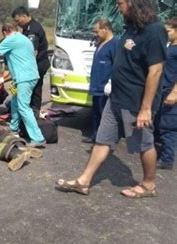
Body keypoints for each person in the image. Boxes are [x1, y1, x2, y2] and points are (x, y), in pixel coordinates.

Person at [55, 0, 167, 198]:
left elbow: (156, 70)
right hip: (116, 98)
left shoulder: (154, 31)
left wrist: (146, 108)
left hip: (135, 102)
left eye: (121, 3)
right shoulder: (131, 28)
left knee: (144, 144)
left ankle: (149, 184)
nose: (119, 7)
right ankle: (84, 181)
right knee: (102, 140)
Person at [82, 19, 120, 144]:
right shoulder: (100, 43)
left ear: (106, 29)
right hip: (96, 85)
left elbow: (117, 65)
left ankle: (105, 138)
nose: (95, 34)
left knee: (105, 114)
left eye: (97, 31)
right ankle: (95, 135)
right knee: (96, 112)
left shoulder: (115, 43)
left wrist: (111, 82)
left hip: (105, 87)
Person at [11, 6, 50, 117]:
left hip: (38, 64)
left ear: (24, 16)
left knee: (34, 88)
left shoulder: (33, 29)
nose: (18, 24)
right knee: (29, 88)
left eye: (18, 21)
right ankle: (28, 110)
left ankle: (34, 111)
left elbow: (32, 51)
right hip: (35, 63)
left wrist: (24, 66)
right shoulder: (27, 28)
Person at [154, 17, 177, 170]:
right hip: (163, 90)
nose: (166, 34)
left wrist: (174, 92)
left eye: (168, 31)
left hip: (171, 92)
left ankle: (167, 159)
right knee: (160, 123)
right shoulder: (171, 46)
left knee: (168, 126)